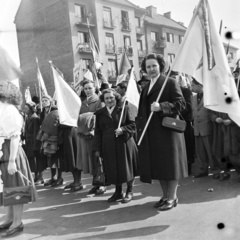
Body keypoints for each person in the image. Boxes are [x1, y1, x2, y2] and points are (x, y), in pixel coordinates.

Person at [137, 53, 188, 211]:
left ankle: (172, 197)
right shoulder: (146, 87)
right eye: (148, 67)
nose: (151, 69)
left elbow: (181, 104)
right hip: (152, 134)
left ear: (160, 66)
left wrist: (162, 107)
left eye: (154, 66)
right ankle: (165, 196)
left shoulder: (170, 83)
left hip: (168, 133)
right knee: (160, 167)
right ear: (144, 70)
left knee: (170, 167)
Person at [0, 81, 37, 238]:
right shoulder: (3, 108)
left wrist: (12, 160)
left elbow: (15, 137)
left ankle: (18, 222)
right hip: (3, 148)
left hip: (10, 150)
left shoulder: (10, 110)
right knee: (8, 186)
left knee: (16, 187)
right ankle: (9, 218)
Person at [93, 89, 138, 203]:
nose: (109, 100)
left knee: (126, 168)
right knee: (113, 168)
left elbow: (133, 125)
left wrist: (123, 129)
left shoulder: (124, 109)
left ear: (116, 98)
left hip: (124, 143)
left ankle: (129, 191)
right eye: (106, 98)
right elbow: (97, 132)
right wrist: (97, 148)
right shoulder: (99, 113)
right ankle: (118, 192)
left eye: (111, 98)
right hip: (107, 144)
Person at [77, 79, 106, 194]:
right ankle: (95, 183)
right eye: (86, 88)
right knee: (91, 161)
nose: (88, 90)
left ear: (95, 88)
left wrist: (91, 129)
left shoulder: (99, 100)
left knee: (99, 160)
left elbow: (101, 117)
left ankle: (102, 184)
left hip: (96, 134)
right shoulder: (83, 102)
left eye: (90, 88)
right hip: (85, 136)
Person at [191, 78, 220, 178]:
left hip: (207, 128)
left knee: (211, 151)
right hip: (197, 129)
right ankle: (203, 169)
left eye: (193, 85)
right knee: (200, 152)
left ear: (200, 85)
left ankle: (215, 170)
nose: (191, 87)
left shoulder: (209, 97)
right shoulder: (193, 97)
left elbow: (212, 112)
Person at [39, 95, 63, 187]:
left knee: (57, 158)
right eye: (43, 100)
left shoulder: (55, 110)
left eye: (46, 100)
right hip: (46, 137)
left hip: (55, 137)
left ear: (50, 101)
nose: (44, 102)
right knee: (50, 158)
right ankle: (53, 177)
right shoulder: (42, 112)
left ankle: (60, 178)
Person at [211, 111, 240, 181]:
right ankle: (225, 171)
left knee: (234, 154)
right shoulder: (217, 101)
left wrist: (231, 121)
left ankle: (239, 172)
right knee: (222, 153)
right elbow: (211, 113)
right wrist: (215, 118)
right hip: (220, 130)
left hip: (233, 131)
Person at [24, 101, 47, 185]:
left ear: (31, 109)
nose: (25, 110)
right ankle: (36, 177)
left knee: (38, 160)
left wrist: (36, 145)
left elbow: (36, 132)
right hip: (29, 142)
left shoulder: (35, 118)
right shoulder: (27, 117)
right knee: (33, 161)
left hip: (34, 142)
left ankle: (40, 178)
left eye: (26, 108)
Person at [176, 74, 195, 175]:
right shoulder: (171, 92)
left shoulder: (186, 91)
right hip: (174, 122)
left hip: (185, 122)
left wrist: (175, 112)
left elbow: (189, 106)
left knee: (187, 145)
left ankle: (188, 166)